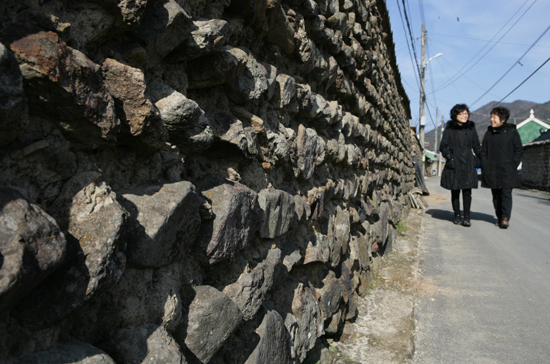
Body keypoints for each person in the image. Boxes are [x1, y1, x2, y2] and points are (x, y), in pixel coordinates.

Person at [480, 106, 523, 229]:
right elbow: (483, 151)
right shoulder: (489, 133)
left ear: (503, 119)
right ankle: (499, 216)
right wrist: (485, 164)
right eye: (491, 117)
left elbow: (518, 150)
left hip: (507, 170)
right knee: (496, 195)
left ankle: (505, 218)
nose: (491, 120)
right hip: (492, 169)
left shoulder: (512, 132)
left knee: (506, 193)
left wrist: (513, 164)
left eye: (494, 117)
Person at [439, 104, 481, 226]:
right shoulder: (450, 129)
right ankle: (457, 215)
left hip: (468, 162)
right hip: (455, 161)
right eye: (461, 114)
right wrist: (449, 157)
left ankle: (467, 217)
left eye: (466, 114)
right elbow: (443, 146)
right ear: (455, 115)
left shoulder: (471, 128)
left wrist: (480, 159)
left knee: (467, 191)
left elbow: (476, 145)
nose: (464, 116)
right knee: (455, 190)